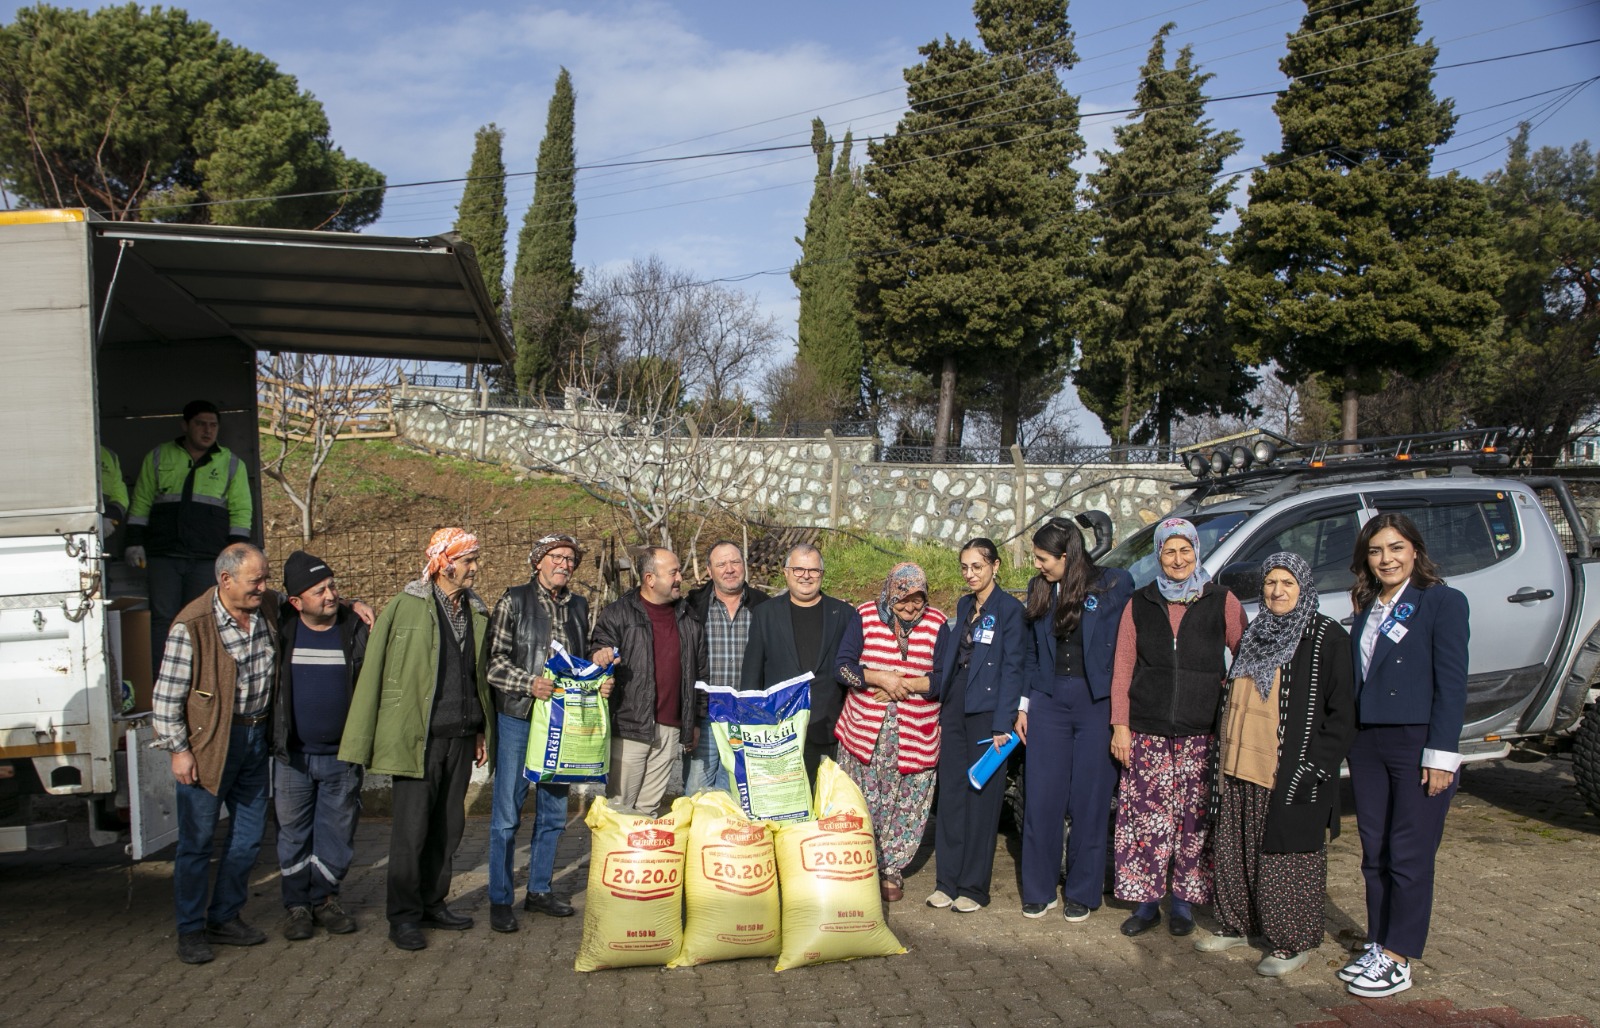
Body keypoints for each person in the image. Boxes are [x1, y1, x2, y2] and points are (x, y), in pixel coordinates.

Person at [1200, 552, 1355, 977]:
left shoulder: (1324, 637)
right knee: (1236, 850)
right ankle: (1236, 923)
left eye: (1288, 582)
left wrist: (1316, 768)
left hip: (1287, 771)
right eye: (1271, 582)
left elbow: (1341, 715)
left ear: (1303, 588)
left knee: (1288, 860)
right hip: (1239, 763)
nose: (1277, 591)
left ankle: (1291, 942)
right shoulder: (1256, 633)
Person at [339, 528, 493, 952]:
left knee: (449, 827)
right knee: (411, 831)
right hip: (417, 737)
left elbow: (477, 675)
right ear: (444, 563)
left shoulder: (476, 609)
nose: (474, 568)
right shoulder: (405, 607)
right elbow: (373, 674)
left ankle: (432, 902)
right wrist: (364, 737)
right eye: (468, 560)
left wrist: (479, 727)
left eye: (475, 559)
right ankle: (403, 917)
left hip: (460, 737)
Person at [1338, 513, 1469, 998]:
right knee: (1376, 851)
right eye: (1376, 550)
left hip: (1417, 742)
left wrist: (1441, 754)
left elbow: (1452, 686)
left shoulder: (1442, 602)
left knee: (1410, 853)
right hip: (1369, 741)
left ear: (1415, 550)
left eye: (1395, 548)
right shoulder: (1368, 603)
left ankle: (1399, 956)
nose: (1386, 558)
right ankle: (1378, 940)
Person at [1110, 516, 1246, 938]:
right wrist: (1120, 726)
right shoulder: (1140, 602)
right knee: (1144, 819)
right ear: (1158, 555)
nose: (1178, 558)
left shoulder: (1221, 600)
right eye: (1169, 551)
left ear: (1196, 552)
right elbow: (1123, 667)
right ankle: (1147, 903)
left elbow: (1244, 658)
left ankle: (1184, 904)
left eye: (1185, 549)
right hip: (1147, 730)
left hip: (1200, 733)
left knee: (1193, 821)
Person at [151, 543, 278, 965]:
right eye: (255, 580)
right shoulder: (192, 625)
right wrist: (179, 751)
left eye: (265, 578)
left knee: (246, 840)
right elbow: (167, 700)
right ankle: (190, 930)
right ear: (226, 580)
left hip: (255, 740)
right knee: (197, 843)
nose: (264, 586)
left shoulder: (267, 610)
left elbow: (310, 597)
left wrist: (353, 603)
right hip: (209, 747)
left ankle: (224, 917)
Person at [1016, 518, 1135, 922]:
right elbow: (1032, 652)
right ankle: (1039, 888)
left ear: (1067, 556)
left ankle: (1082, 891)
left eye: (1043, 559)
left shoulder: (1115, 585)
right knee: (1042, 798)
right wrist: (1024, 705)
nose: (1038, 566)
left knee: (1090, 799)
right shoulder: (1039, 588)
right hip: (1048, 700)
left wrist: (1122, 716)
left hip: (1095, 702)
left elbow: (1126, 649)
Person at [485, 532, 597, 935]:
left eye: (570, 559)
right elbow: (493, 663)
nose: (565, 564)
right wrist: (528, 682)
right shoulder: (513, 600)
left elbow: (582, 660)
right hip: (519, 715)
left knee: (553, 810)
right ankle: (500, 898)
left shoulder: (581, 606)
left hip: (563, 720)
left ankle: (539, 889)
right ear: (538, 561)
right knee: (506, 813)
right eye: (557, 556)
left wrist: (597, 678)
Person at [272, 551, 370, 942]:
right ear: (296, 602)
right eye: (320, 590)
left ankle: (326, 899)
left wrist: (353, 603)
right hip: (292, 757)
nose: (331, 595)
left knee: (336, 832)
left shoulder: (353, 628)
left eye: (333, 586)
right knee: (293, 833)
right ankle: (297, 906)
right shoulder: (281, 628)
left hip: (341, 759)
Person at [835, 562, 948, 903]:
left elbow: (944, 679)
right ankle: (862, 865)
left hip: (915, 731)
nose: (911, 607)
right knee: (865, 800)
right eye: (904, 599)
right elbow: (842, 668)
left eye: (918, 599)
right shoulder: (865, 615)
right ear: (890, 593)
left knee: (907, 802)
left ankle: (892, 868)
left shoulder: (938, 623)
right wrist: (879, 677)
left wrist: (905, 685)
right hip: (865, 729)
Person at [926, 539, 1025, 913]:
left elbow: (1014, 668)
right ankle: (946, 881)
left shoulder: (1011, 610)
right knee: (951, 794)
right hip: (955, 708)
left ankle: (973, 887)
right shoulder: (964, 605)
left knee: (981, 796)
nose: (970, 574)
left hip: (989, 715)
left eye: (977, 567)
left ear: (995, 566)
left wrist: (1004, 722)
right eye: (965, 567)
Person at [125, 399, 255, 671]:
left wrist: (236, 556)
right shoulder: (159, 456)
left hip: (207, 557)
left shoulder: (231, 463)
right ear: (185, 425)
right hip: (164, 555)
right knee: (163, 620)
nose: (207, 431)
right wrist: (134, 541)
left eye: (213, 425)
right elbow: (141, 502)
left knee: (203, 618)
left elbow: (241, 510)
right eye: (200, 424)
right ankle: (164, 680)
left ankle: (200, 680)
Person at [590, 547, 707, 816]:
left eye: (679, 571)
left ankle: (643, 860)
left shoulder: (688, 618)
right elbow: (597, 650)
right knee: (619, 809)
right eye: (673, 572)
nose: (680, 578)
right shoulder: (618, 614)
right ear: (650, 579)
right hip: (630, 726)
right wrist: (600, 655)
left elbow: (700, 675)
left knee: (648, 811)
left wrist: (696, 720)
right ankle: (613, 859)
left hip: (670, 729)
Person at [740, 543, 854, 782]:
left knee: (823, 806)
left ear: (822, 574)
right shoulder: (766, 614)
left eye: (813, 570)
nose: (806, 576)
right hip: (778, 730)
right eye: (798, 569)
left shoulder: (843, 614)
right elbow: (752, 673)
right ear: (786, 573)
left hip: (828, 728)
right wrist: (751, 725)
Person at [684, 540, 767, 794]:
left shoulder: (764, 606)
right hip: (706, 715)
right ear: (710, 570)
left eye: (735, 562)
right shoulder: (692, 606)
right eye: (721, 564)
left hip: (746, 717)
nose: (729, 569)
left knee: (737, 792)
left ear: (744, 566)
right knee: (697, 792)